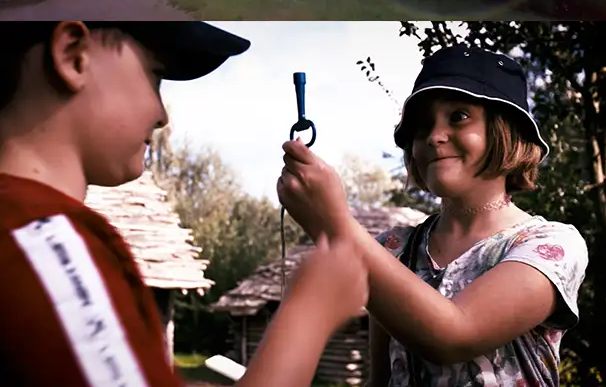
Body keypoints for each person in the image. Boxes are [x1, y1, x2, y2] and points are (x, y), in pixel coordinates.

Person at [0, 21, 370, 387]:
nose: (163, 115)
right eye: (155, 75)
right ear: (73, 56)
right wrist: (310, 314)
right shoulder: (48, 245)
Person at [277, 44, 590, 387]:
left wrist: (333, 226)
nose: (434, 136)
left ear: (507, 130)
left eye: (458, 116)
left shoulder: (550, 245)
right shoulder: (392, 248)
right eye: (422, 126)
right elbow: (380, 380)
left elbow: (456, 335)